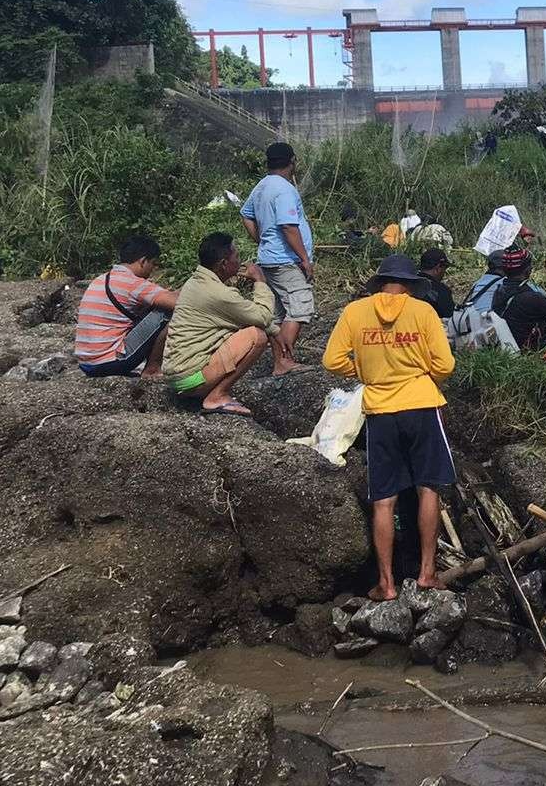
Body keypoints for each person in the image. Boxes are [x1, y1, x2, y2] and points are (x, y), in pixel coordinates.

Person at [323, 253, 456, 602]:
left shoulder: (355, 312)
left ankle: (387, 584)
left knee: (383, 500)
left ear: (381, 283)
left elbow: (332, 360)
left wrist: (366, 374)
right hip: (422, 404)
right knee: (428, 488)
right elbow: (445, 363)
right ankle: (427, 573)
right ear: (411, 285)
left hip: (380, 410)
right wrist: (422, 375)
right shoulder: (423, 312)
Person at [163, 231, 275, 416]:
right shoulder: (219, 294)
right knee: (257, 336)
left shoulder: (194, 282)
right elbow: (263, 317)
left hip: (177, 377)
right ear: (224, 264)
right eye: (236, 257)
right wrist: (260, 281)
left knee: (254, 330)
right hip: (191, 378)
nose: (239, 261)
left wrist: (275, 331)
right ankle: (217, 396)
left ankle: (210, 391)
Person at [240, 142, 315, 376]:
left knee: (278, 314)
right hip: (285, 260)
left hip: (269, 259)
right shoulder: (284, 189)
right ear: (292, 161)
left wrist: (261, 239)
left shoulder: (261, 186)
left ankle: (279, 362)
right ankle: (284, 361)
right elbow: (288, 226)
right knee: (300, 307)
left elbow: (246, 214)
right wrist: (304, 258)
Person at [74, 235, 179, 379]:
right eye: (153, 264)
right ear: (143, 261)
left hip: (87, 363)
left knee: (150, 309)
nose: (153, 269)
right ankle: (153, 368)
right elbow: (177, 303)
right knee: (166, 312)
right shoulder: (132, 283)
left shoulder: (102, 279)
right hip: (110, 362)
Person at [414, 248, 455, 320]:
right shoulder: (441, 291)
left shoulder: (408, 284)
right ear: (438, 267)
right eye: (445, 268)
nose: (444, 273)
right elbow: (450, 319)